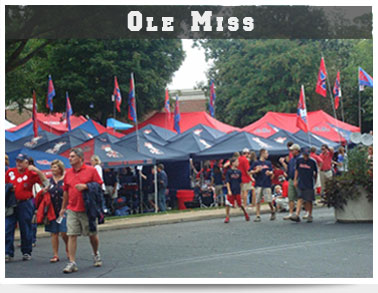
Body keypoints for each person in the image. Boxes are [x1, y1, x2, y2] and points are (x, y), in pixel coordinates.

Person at [59, 148, 103, 273]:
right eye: (70, 156)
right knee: (71, 235)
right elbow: (66, 191)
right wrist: (63, 208)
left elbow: (99, 186)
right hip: (72, 208)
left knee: (92, 234)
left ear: (80, 158)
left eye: (72, 156)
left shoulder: (91, 170)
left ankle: (95, 253)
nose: (70, 158)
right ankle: (72, 262)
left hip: (87, 209)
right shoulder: (68, 173)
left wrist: (86, 186)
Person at [5, 153, 48, 262]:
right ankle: (8, 252)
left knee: (25, 228)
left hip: (25, 203)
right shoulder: (10, 172)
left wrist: (37, 171)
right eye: (17, 161)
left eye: (21, 161)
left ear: (27, 163)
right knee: (8, 228)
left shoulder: (31, 173)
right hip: (12, 203)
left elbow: (46, 183)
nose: (18, 163)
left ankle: (26, 251)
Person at [42, 160, 68, 262]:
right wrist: (44, 191)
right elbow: (45, 190)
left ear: (60, 168)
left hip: (64, 208)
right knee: (53, 232)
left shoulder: (65, 180)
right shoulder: (50, 181)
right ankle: (55, 254)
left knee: (64, 231)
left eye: (55, 167)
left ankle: (68, 249)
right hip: (52, 209)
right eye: (52, 167)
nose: (53, 169)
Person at [290, 148, 318, 223]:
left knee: (309, 200)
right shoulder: (299, 161)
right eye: (305, 154)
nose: (306, 156)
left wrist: (315, 182)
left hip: (309, 182)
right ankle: (297, 215)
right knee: (300, 198)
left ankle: (310, 214)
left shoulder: (312, 162)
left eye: (307, 154)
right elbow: (296, 170)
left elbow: (316, 172)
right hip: (301, 181)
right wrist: (295, 180)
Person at [249, 149, 275, 222]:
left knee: (269, 199)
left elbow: (272, 171)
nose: (268, 155)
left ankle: (272, 210)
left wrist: (270, 173)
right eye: (266, 153)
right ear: (262, 154)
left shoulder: (268, 163)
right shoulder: (256, 163)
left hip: (267, 183)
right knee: (258, 200)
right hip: (258, 183)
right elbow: (250, 171)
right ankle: (258, 215)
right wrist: (255, 171)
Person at [224, 157, 250, 223]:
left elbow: (240, 182)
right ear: (233, 163)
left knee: (240, 204)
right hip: (231, 189)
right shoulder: (229, 172)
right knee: (228, 204)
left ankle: (245, 213)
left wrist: (241, 190)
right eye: (237, 162)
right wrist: (229, 190)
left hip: (237, 189)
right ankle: (227, 217)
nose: (238, 163)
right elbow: (227, 181)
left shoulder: (239, 172)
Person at [279, 143, 301, 220]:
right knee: (290, 197)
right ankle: (291, 213)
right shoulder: (292, 160)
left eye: (292, 150)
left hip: (298, 179)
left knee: (300, 196)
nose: (291, 151)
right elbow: (288, 169)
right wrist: (283, 163)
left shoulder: (300, 159)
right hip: (291, 179)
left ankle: (300, 213)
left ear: (297, 150)